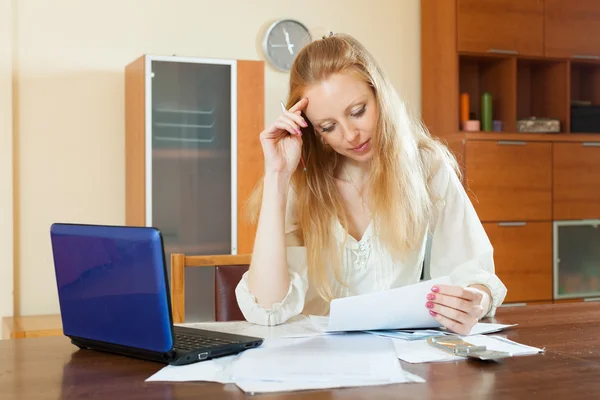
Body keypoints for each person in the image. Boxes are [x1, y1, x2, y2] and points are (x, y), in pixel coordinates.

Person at [235, 32, 507, 335]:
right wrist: (277, 175)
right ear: (311, 130)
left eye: (358, 112)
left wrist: (476, 300)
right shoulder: (302, 183)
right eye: (328, 127)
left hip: (403, 364)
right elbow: (267, 308)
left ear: (380, 95)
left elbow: (472, 272)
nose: (351, 135)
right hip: (318, 370)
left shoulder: (427, 166)